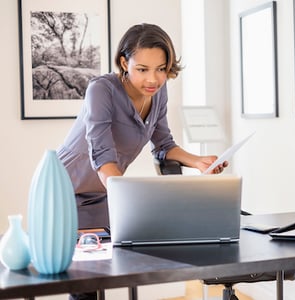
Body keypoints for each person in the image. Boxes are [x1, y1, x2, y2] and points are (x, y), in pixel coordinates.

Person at [57, 23, 227, 300]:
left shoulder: (158, 93)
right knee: (85, 284)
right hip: (68, 191)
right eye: (143, 69)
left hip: (106, 192)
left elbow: (163, 145)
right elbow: (101, 153)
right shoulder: (102, 90)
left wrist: (198, 162)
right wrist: (127, 199)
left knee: (113, 274)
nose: (153, 79)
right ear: (124, 62)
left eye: (161, 69)